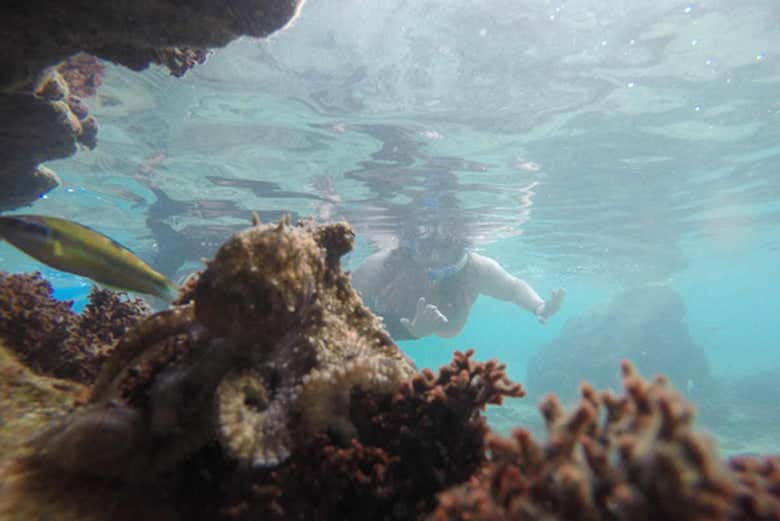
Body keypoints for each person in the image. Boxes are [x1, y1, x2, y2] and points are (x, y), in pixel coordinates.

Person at [350, 225, 565, 340]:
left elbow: (514, 288)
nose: (434, 257)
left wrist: (539, 306)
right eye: (425, 247)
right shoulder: (382, 266)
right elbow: (343, 314)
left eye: (445, 247)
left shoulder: (476, 269)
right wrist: (409, 332)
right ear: (409, 247)